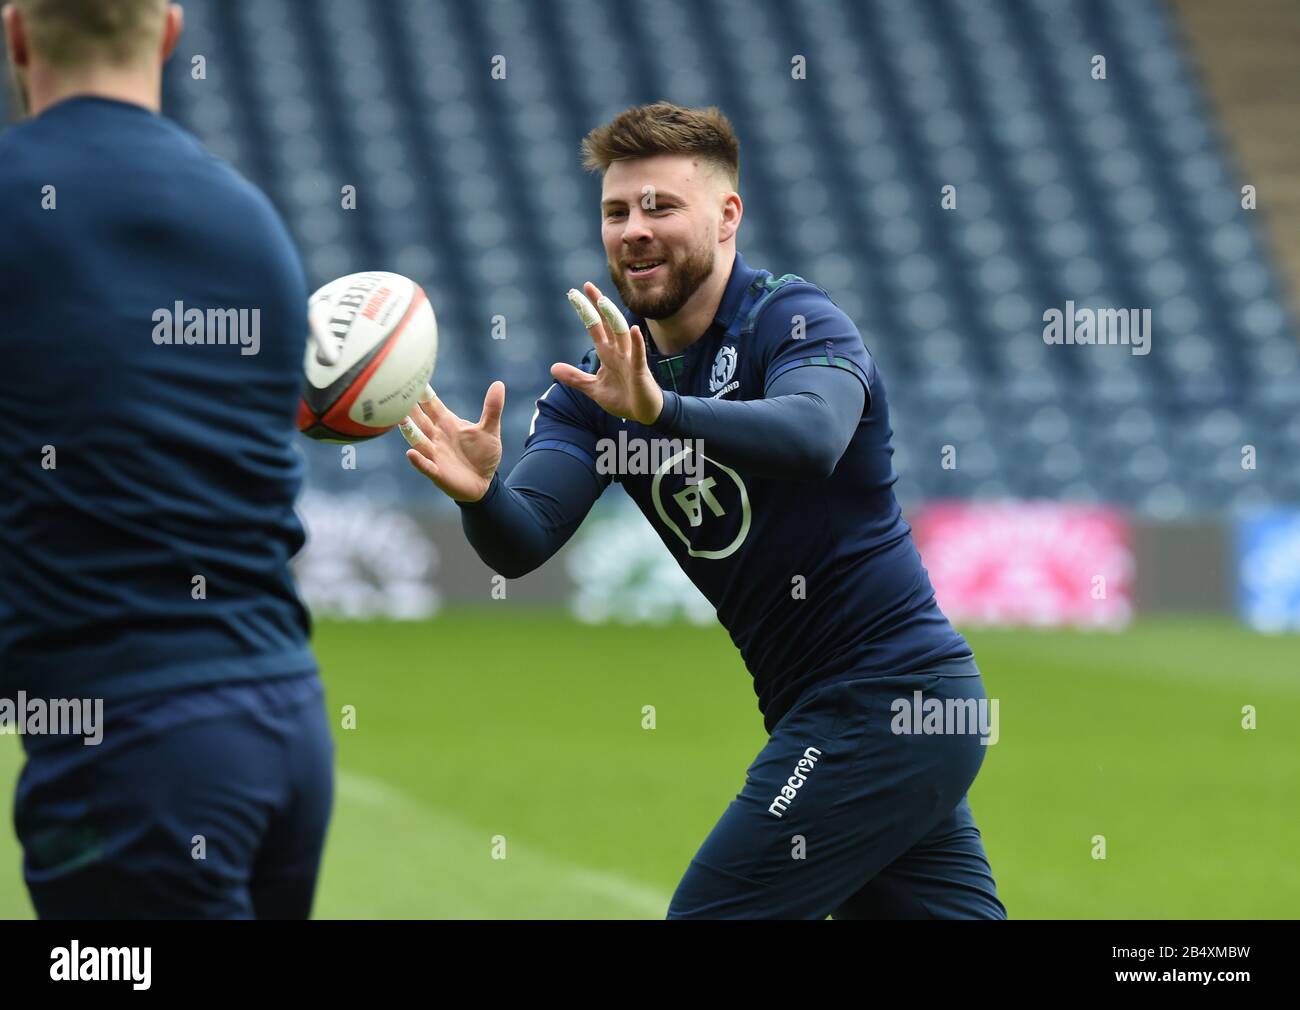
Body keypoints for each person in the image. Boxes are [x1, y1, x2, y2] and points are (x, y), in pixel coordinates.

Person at [401, 101, 1005, 919]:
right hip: (857, 720)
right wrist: (481, 496)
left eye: (660, 206)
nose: (633, 230)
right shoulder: (599, 388)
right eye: (616, 211)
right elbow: (523, 540)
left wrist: (664, 414)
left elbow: (813, 435)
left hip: (888, 700)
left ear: (727, 217)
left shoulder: (790, 320)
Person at [0, 0, 331, 919]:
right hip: (282, 719)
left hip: (128, 750)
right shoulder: (250, 219)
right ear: (170, 33)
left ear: (18, 34)